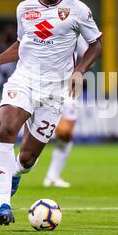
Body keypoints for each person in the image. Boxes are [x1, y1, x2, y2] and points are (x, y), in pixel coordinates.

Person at [0, 0, 102, 226]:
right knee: (6, 128)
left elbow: (96, 44)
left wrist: (79, 71)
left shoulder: (78, 10)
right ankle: (3, 204)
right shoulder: (24, 9)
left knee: (28, 159)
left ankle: (16, 172)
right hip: (25, 80)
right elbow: (22, 44)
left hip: (54, 91)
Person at [43, 36, 89, 188]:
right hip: (44, 85)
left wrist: (79, 71)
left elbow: (89, 52)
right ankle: (19, 167)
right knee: (53, 131)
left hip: (68, 87)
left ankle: (52, 176)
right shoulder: (44, 28)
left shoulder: (75, 31)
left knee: (66, 134)